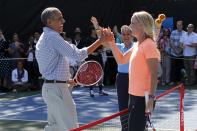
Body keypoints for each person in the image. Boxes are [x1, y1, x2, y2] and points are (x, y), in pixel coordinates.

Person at [35, 7, 113, 131]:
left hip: (51, 89)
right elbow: (78, 55)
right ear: (49, 21)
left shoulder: (46, 37)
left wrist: (66, 80)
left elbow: (51, 65)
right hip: (57, 90)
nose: (63, 21)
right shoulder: (52, 37)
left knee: (54, 128)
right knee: (70, 128)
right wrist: (100, 41)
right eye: (59, 18)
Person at [106, 11, 160, 131]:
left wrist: (150, 99)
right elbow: (121, 60)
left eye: (132, 23)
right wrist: (111, 42)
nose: (130, 26)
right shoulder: (137, 45)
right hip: (134, 96)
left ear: (141, 25)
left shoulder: (149, 45)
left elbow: (154, 73)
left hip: (143, 98)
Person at [115, 25, 134, 131]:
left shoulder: (137, 46)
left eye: (128, 34)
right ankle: (125, 128)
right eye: (124, 34)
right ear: (121, 35)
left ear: (132, 35)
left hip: (134, 77)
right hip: (121, 78)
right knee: (123, 105)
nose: (126, 36)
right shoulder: (118, 46)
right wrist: (97, 26)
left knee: (135, 104)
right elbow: (103, 42)